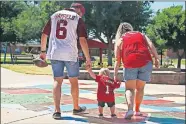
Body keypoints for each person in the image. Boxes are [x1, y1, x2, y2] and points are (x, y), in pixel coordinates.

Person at [40, 3, 91, 119]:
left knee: (57, 81)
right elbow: (82, 40)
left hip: (55, 52)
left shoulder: (54, 16)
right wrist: (88, 58)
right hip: (70, 53)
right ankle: (76, 108)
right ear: (79, 11)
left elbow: (44, 35)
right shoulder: (77, 19)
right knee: (74, 81)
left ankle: (57, 111)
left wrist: (43, 51)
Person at [114, 22, 160, 119]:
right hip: (146, 62)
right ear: (131, 28)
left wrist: (115, 74)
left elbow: (117, 60)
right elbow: (151, 44)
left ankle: (130, 109)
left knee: (129, 89)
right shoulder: (141, 34)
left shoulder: (121, 40)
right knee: (140, 88)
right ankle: (137, 110)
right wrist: (156, 58)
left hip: (130, 63)